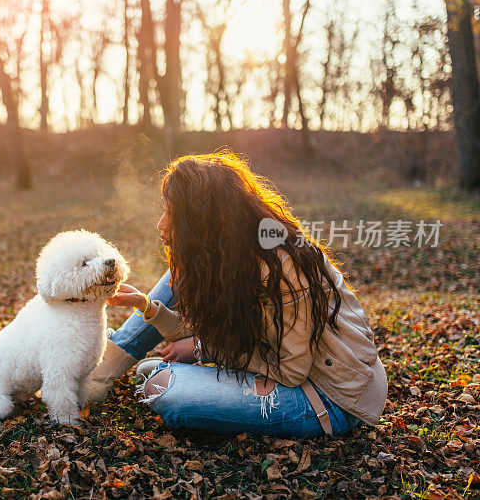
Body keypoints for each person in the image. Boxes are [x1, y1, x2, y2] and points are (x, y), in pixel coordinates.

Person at [87, 150, 387, 439]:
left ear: (205, 223)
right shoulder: (230, 257)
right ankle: (104, 369)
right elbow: (202, 330)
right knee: (180, 272)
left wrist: (202, 349)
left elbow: (291, 370)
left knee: (162, 388)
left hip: (330, 398)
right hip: (299, 373)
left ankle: (143, 374)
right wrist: (147, 307)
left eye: (173, 214)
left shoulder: (281, 267)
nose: (161, 224)